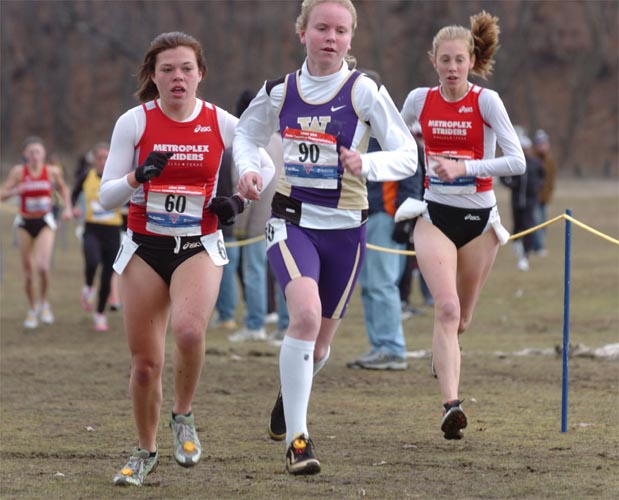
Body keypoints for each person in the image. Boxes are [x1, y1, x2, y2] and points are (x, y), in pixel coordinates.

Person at [233, 0, 417, 475]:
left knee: (318, 346)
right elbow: (246, 138)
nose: (330, 38)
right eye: (321, 28)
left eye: (340, 30)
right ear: (303, 33)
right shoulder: (278, 91)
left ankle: (287, 398)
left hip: (347, 230)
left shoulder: (364, 91)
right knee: (306, 316)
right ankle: (298, 440)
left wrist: (367, 163)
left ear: (351, 38)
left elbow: (407, 154)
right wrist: (250, 170)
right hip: (291, 222)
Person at [99, 31, 274, 487]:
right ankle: (145, 450)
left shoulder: (221, 122)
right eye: (167, 70)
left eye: (186, 69)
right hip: (144, 245)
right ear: (153, 77)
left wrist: (239, 197)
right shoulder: (133, 123)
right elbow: (103, 198)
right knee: (144, 365)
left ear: (200, 75)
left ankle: (183, 415)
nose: (177, 77)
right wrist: (137, 176)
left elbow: (264, 164)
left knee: (191, 330)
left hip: (199, 243)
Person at [399, 11, 525, 440]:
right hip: (435, 214)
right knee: (446, 309)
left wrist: (465, 166)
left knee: (462, 319)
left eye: (459, 60)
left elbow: (517, 161)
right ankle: (451, 406)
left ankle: (445, 352)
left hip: (480, 221)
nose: (452, 67)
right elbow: (397, 145)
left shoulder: (486, 102)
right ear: (433, 60)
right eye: (444, 59)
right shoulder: (418, 100)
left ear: (471, 61)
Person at [228, 89, 284, 343]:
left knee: (254, 271)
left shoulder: (246, 141)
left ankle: (255, 324)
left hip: (257, 220)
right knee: (283, 272)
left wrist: (240, 222)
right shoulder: (280, 139)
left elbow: (238, 182)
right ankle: (284, 324)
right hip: (281, 213)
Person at [0, 136, 73, 329]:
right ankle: (32, 310)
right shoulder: (18, 172)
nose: (34, 155)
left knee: (42, 267)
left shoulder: (51, 171)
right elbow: (2, 194)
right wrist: (16, 191)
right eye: (30, 152)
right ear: (25, 154)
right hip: (24, 222)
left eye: (37, 151)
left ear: (44, 154)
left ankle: (44, 304)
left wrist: (67, 208)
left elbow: (64, 190)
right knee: (28, 274)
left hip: (45, 222)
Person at [71, 142, 122, 331]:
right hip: (92, 229)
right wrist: (74, 207)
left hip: (113, 231)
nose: (103, 161)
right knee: (92, 261)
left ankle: (100, 314)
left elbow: (128, 199)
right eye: (99, 157)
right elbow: (74, 194)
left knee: (108, 275)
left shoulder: (118, 178)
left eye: (106, 157)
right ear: (94, 160)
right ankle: (88, 286)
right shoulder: (87, 176)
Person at [500, 129, 545, 272]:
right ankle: (517, 248)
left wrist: (537, 187)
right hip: (516, 200)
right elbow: (502, 175)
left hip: (530, 202)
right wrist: (511, 185)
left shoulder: (535, 163)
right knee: (517, 226)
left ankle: (525, 256)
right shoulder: (514, 162)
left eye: (526, 148)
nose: (525, 151)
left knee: (528, 227)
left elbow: (543, 176)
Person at [531, 128, 556, 256]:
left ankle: (539, 245)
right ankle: (538, 247)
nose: (542, 146)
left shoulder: (550, 160)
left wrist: (549, 193)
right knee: (536, 222)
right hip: (534, 197)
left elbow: (551, 179)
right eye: (540, 143)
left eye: (544, 143)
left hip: (545, 197)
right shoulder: (533, 160)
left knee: (544, 222)